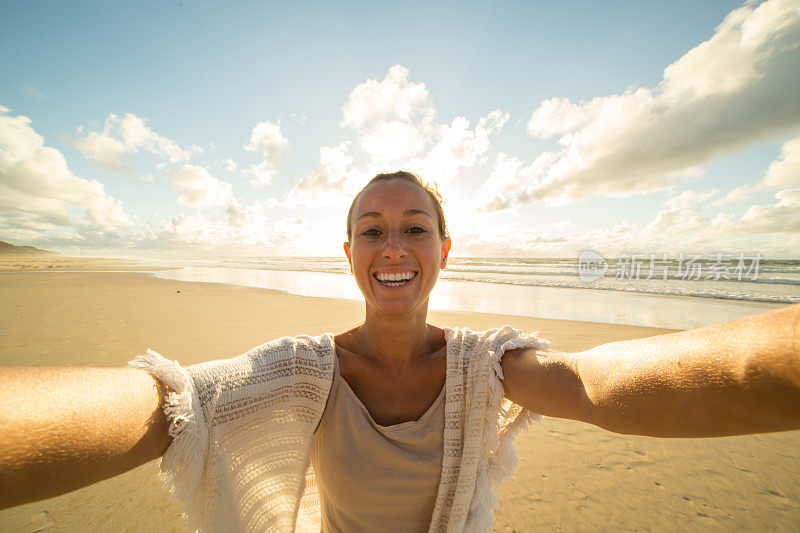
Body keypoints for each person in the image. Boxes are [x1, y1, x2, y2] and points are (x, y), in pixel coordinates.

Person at [0, 171, 798, 532]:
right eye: (372, 229)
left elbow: (590, 384)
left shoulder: (489, 367)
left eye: (414, 226)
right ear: (348, 253)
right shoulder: (303, 369)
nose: (394, 243)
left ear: (444, 251)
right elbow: (173, 405)